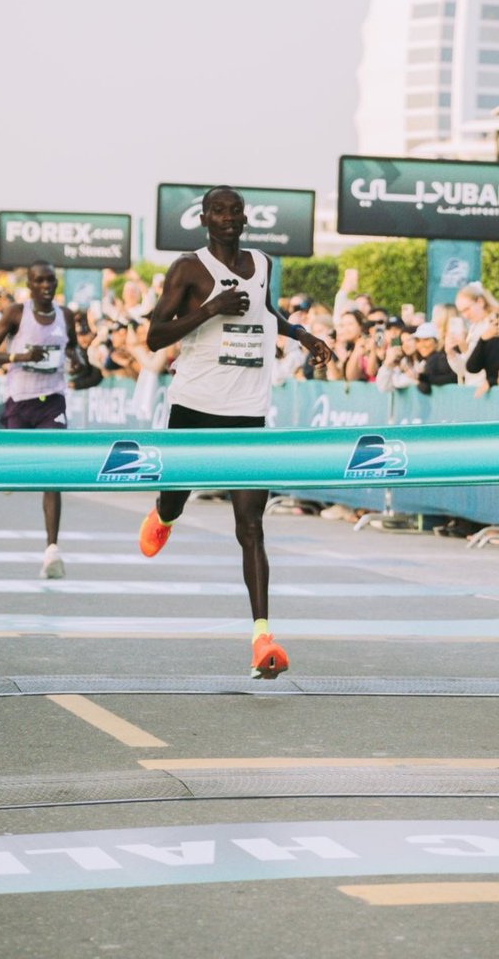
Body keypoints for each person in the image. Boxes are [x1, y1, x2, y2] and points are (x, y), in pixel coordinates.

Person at [138, 186, 334, 679]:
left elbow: (263, 312)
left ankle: (262, 639)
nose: (228, 219)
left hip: (249, 412)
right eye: (218, 211)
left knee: (251, 527)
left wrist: (300, 334)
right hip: (195, 408)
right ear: (204, 218)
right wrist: (208, 308)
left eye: (235, 211)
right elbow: (155, 336)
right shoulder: (188, 269)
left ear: (245, 219)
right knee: (175, 501)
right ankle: (164, 513)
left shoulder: (263, 262)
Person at [0, 262, 88, 579]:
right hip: (20, 400)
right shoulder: (17, 313)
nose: (46, 285)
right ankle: (9, 469)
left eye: (51, 280)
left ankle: (52, 550)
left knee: (52, 474)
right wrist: (20, 357)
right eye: (39, 280)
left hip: (52, 400)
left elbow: (76, 352)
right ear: (29, 285)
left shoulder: (65, 315)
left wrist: (78, 361)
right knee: (16, 472)